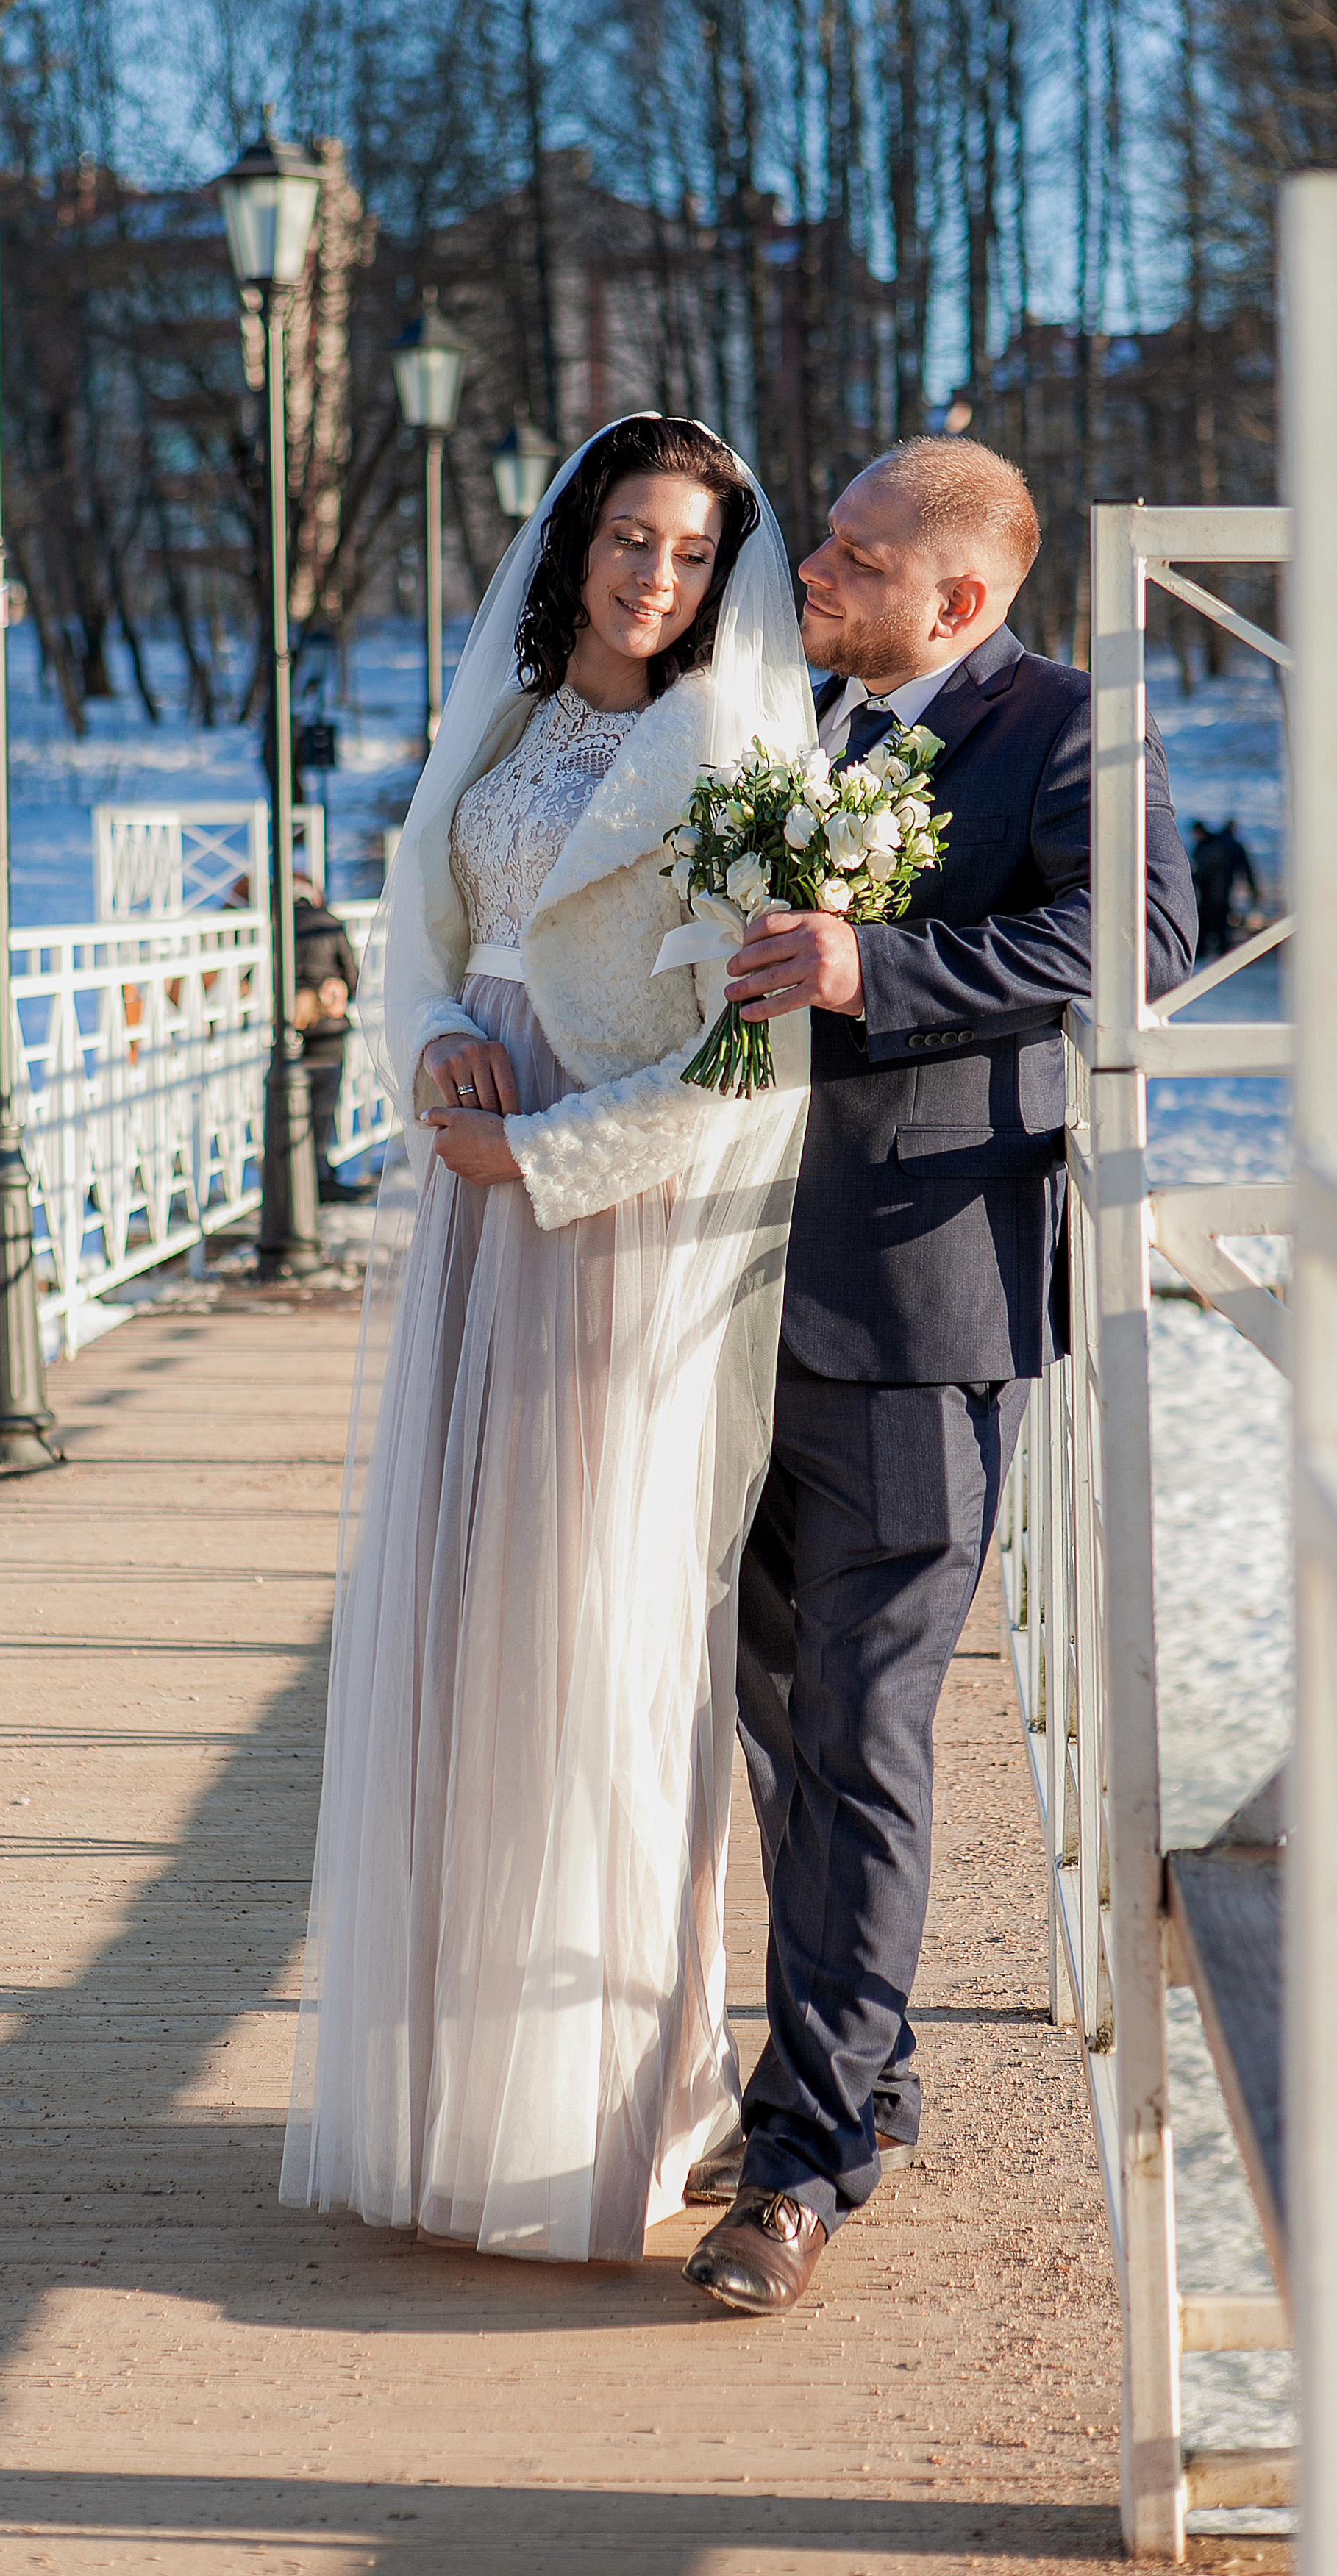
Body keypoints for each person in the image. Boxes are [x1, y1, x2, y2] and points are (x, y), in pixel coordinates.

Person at [281, 416, 815, 2261]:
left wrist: (549, 1150)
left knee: (589, 1629)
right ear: (574, 541)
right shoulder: (502, 729)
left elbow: (753, 1060)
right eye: (625, 538)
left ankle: (605, 2109)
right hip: (463, 1209)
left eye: (684, 551)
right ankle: (441, 2091)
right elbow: (425, 922)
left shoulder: (735, 758)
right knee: (456, 1628)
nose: (649, 575)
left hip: (603, 1229)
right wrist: (430, 1036)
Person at [682, 436, 1198, 2313]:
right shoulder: (792, 716)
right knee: (765, 1719)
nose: (808, 565)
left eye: (852, 549)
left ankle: (804, 2158)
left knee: (866, 1731)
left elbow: (1126, 946)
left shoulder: (1070, 726)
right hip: (731, 1302)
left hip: (924, 1301)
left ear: (956, 600)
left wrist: (864, 966)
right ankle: (863, 2077)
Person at [290, 874, 360, 1202]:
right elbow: (353, 977)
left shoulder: (278, 927)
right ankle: (320, 1173)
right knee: (324, 1104)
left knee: (292, 1104)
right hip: (330, 1032)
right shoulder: (329, 923)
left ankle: (296, 1174)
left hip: (292, 1031)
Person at [1189, 817, 1260, 960]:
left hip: (1206, 892)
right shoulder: (1231, 845)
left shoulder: (1206, 844)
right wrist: (1253, 889)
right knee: (1221, 923)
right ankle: (1223, 956)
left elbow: (1197, 871)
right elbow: (1246, 868)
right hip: (1223, 891)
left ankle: (1202, 954)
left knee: (1206, 922)